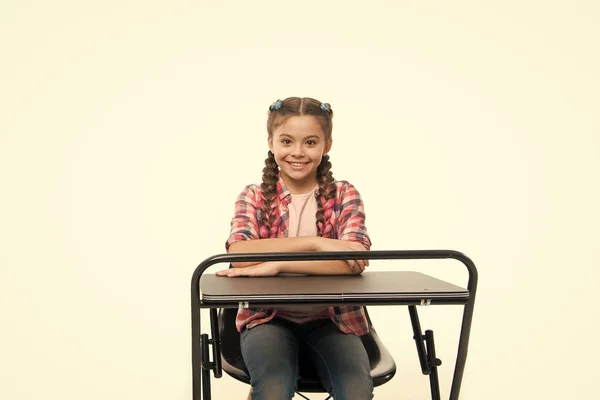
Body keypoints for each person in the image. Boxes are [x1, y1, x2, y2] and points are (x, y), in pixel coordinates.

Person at [217, 97, 374, 400]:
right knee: (274, 389)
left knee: (356, 392)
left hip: (332, 320)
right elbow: (239, 254)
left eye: (310, 142)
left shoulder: (344, 194)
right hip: (268, 319)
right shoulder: (253, 196)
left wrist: (278, 263)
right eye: (287, 141)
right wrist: (316, 244)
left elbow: (355, 258)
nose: (298, 152)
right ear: (271, 142)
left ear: (326, 145)